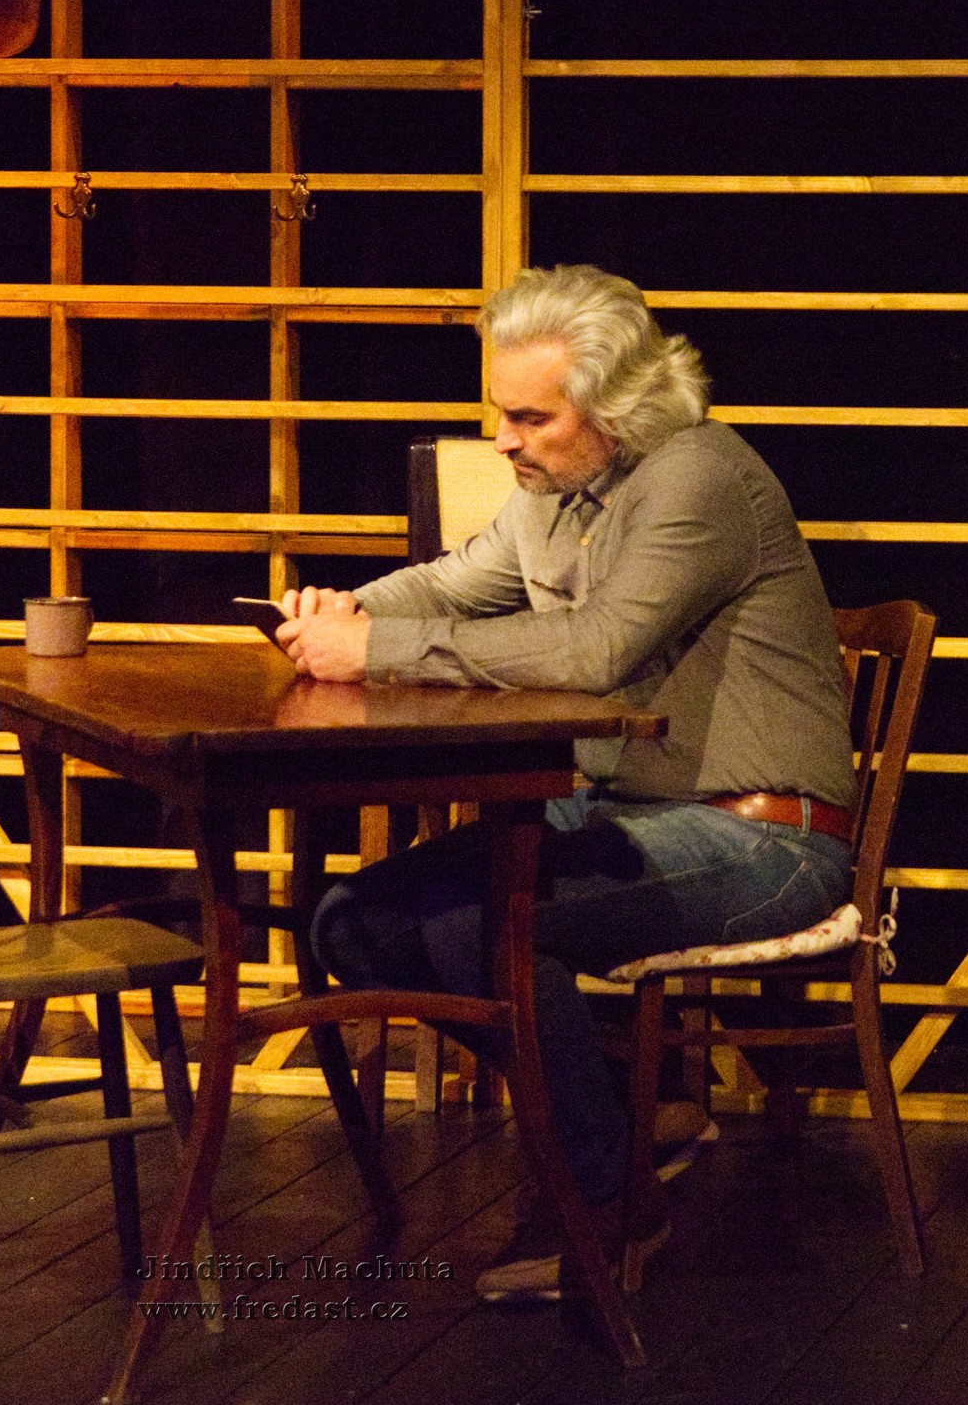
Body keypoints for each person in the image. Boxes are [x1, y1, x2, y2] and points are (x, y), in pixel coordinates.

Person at [275, 263, 857, 1302]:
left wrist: (376, 653)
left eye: (528, 418)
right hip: (620, 811)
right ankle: (630, 1112)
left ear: (615, 408)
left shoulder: (694, 478)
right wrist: (342, 611)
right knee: (349, 922)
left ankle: (602, 1200)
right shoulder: (550, 493)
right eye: (502, 414)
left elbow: (596, 650)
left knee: (480, 926)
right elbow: (455, 583)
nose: (501, 440)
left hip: (760, 837)